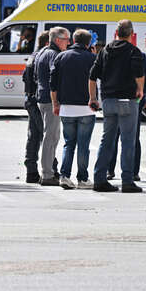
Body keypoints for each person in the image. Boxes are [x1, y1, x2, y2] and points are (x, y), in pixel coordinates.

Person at [89, 20, 145, 193]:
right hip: (127, 101)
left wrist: (93, 98)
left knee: (107, 140)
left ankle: (99, 179)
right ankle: (127, 181)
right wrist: (140, 90)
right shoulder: (133, 51)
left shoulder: (105, 51)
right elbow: (139, 74)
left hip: (108, 101)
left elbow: (92, 76)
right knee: (128, 141)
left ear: (116, 32)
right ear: (131, 34)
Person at [50, 29, 96, 190]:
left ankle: (64, 176)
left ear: (73, 40)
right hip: (86, 108)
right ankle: (82, 179)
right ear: (88, 43)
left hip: (66, 108)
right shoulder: (92, 58)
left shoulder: (61, 57)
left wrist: (55, 104)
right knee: (83, 145)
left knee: (68, 144)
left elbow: (53, 84)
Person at [107, 52, 146, 181]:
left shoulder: (137, 55)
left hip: (129, 99)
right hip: (124, 99)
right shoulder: (111, 53)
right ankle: (113, 170)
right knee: (124, 136)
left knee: (123, 136)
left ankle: (130, 171)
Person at [34, 26, 70, 186]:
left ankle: (48, 172)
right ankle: (47, 174)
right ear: (57, 40)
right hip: (50, 100)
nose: (68, 43)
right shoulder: (54, 55)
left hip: (43, 97)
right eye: (66, 40)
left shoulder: (42, 52)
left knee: (50, 136)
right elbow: (54, 78)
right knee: (51, 137)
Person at [22, 30, 55, 183]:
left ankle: (31, 171)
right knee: (48, 136)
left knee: (33, 136)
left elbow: (25, 78)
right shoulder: (44, 57)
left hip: (30, 98)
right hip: (39, 99)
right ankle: (51, 169)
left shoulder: (33, 56)